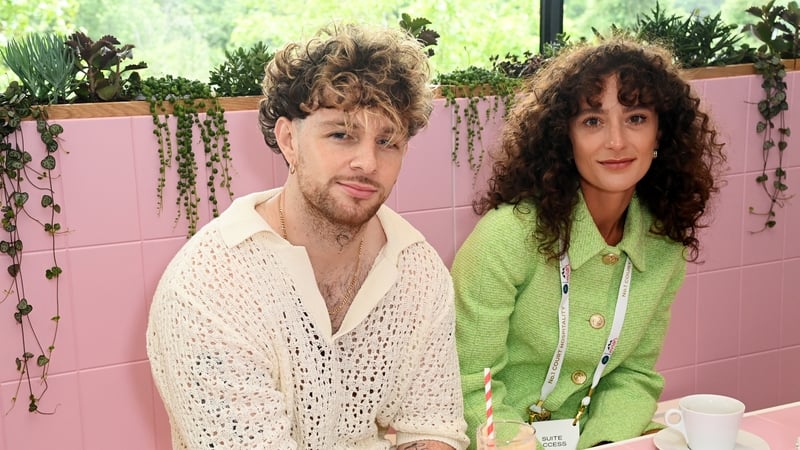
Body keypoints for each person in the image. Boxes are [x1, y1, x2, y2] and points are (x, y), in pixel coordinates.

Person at [147, 23, 469, 450]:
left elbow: (432, 426)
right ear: (288, 140)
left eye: (387, 141)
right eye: (341, 135)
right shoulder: (208, 287)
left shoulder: (416, 269)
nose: (367, 162)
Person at [452, 37, 726, 449]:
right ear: (565, 137)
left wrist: (603, 445)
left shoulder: (663, 241)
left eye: (636, 118)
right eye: (593, 121)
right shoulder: (506, 235)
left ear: (660, 134)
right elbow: (470, 382)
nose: (616, 141)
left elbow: (634, 374)